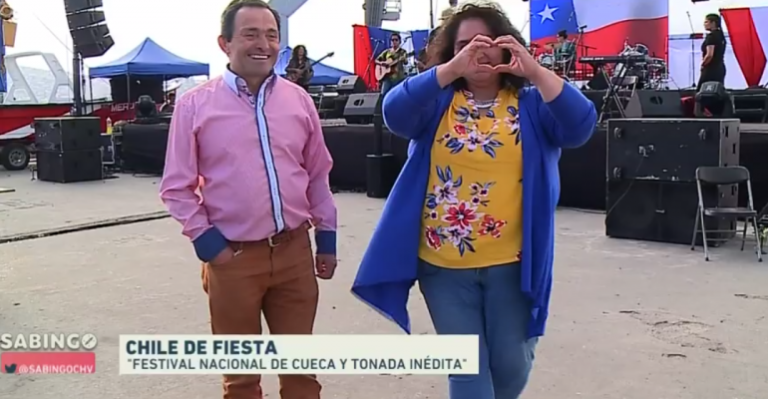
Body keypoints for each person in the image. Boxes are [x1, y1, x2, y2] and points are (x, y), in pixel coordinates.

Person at [352, 3, 596, 399]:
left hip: (513, 267)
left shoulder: (532, 105)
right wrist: (450, 70)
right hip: (443, 267)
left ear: (507, 47)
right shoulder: (436, 103)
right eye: (465, 44)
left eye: (487, 42)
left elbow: (581, 125)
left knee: (511, 367)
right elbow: (394, 112)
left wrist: (535, 70)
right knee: (468, 374)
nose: (477, 51)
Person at [159, 1, 337, 398]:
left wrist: (326, 239)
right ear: (225, 43)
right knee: (240, 381)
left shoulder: (299, 101)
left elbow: (317, 175)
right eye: (251, 34)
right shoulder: (194, 106)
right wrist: (210, 245)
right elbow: (176, 187)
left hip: (294, 256)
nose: (264, 44)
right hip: (233, 259)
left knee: (301, 375)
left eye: (271, 35)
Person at [699, 13, 727, 91]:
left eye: (706, 22)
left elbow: (709, 55)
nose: (704, 24)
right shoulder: (721, 36)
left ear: (713, 23)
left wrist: (703, 64)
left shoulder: (711, 37)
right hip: (720, 67)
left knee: (702, 90)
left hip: (711, 69)